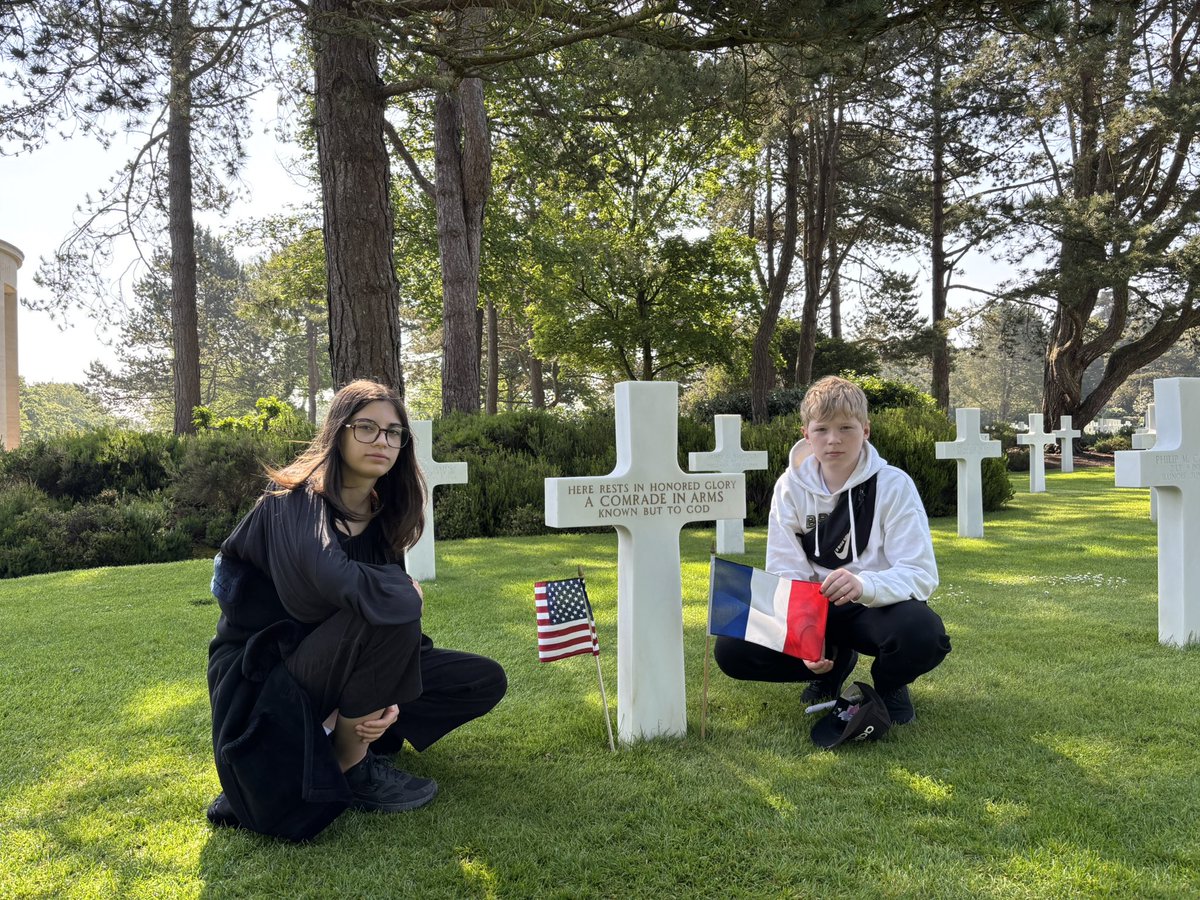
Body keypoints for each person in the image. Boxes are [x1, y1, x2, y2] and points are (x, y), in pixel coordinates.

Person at [205, 379, 507, 841]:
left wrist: (388, 681)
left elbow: (385, 614)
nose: (382, 441)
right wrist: (401, 592)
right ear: (338, 433)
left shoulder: (382, 513)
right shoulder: (292, 501)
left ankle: (345, 729)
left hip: (340, 659)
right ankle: (349, 760)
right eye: (366, 427)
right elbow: (321, 588)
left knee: (481, 679)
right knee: (389, 608)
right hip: (266, 672)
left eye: (393, 433)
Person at [714, 375, 950, 731]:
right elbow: (786, 568)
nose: (834, 439)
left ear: (866, 430)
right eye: (822, 429)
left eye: (846, 428)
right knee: (733, 649)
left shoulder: (893, 484)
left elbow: (920, 572)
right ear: (806, 433)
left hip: (876, 606)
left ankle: (889, 684)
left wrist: (864, 585)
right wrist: (804, 634)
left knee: (922, 632)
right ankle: (832, 668)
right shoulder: (789, 486)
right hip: (815, 606)